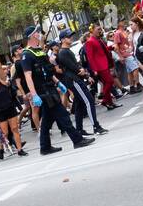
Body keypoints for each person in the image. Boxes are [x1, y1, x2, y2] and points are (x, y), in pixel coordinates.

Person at [22, 27, 94, 156]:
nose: (39, 34)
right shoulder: (26, 54)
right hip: (42, 92)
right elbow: (28, 76)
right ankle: (77, 140)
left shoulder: (39, 51)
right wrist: (34, 94)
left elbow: (48, 71)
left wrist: (58, 82)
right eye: (37, 33)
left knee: (47, 120)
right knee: (63, 115)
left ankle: (45, 147)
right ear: (31, 36)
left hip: (50, 87)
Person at [55, 31, 108, 136]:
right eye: (68, 37)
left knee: (79, 105)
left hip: (75, 79)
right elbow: (75, 67)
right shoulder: (63, 53)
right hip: (74, 80)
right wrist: (86, 75)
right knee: (89, 101)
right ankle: (96, 127)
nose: (71, 38)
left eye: (70, 36)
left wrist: (85, 75)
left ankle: (79, 129)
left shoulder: (66, 51)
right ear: (62, 40)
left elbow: (76, 66)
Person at [84, 24, 120, 110]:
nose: (100, 31)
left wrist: (111, 47)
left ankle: (109, 103)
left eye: (100, 29)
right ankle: (105, 100)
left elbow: (103, 49)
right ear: (92, 30)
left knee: (108, 83)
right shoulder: (89, 41)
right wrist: (94, 69)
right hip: (100, 67)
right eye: (98, 29)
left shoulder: (98, 39)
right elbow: (90, 57)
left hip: (105, 64)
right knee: (110, 81)